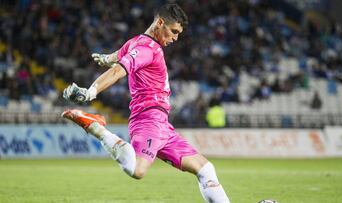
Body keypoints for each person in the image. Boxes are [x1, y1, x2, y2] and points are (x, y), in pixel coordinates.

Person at [62, 3, 230, 203]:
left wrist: (106, 58)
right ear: (160, 23)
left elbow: (117, 57)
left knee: (205, 169)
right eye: (174, 31)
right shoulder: (147, 49)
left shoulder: (135, 42)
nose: (176, 38)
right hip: (149, 118)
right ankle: (95, 127)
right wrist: (91, 92)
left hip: (162, 126)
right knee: (137, 170)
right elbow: (117, 71)